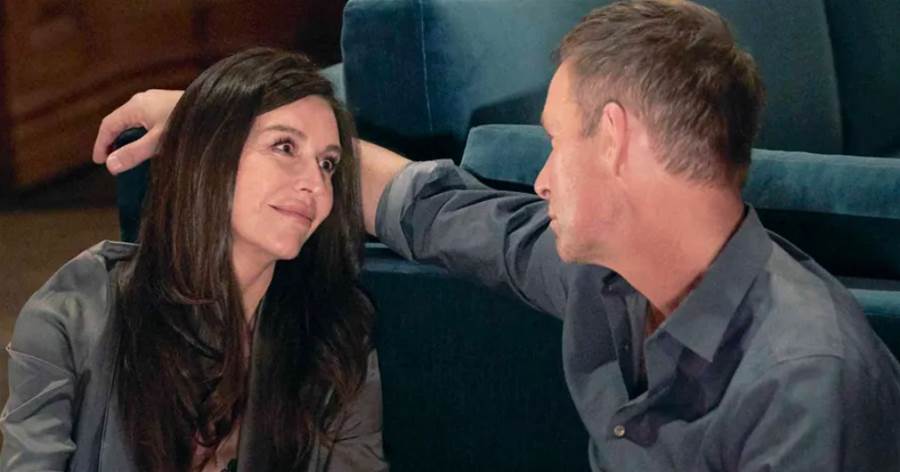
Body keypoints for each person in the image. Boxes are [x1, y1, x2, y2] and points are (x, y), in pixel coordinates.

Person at [92, 1, 900, 470]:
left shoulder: (807, 382)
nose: (540, 179)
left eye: (556, 143)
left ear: (616, 141)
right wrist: (219, 120)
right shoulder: (603, 275)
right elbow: (429, 208)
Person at [2, 48, 387, 471]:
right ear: (209, 154)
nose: (316, 183)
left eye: (328, 164)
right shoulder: (71, 318)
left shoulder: (336, 332)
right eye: (284, 147)